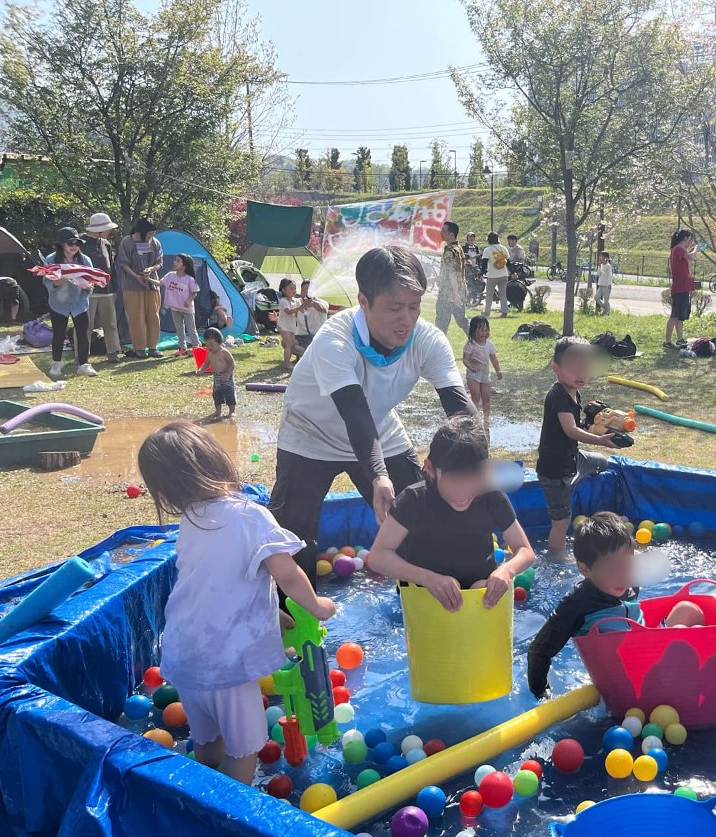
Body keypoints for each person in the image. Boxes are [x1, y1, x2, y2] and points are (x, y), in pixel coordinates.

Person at [137, 422, 336, 785]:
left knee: (207, 738)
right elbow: (287, 574)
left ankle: (202, 790)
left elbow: (217, 585)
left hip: (185, 654)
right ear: (217, 461)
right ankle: (228, 810)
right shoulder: (249, 515)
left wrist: (271, 612)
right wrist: (317, 605)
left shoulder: (191, 520)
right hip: (227, 662)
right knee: (244, 750)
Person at [269, 245, 476, 589]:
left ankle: (420, 603)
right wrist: (378, 475)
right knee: (293, 539)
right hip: (309, 436)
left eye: (414, 306)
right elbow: (354, 412)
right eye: (394, 307)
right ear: (363, 301)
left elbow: (460, 410)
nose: (406, 319)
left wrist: (475, 466)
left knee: (422, 523)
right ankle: (292, 615)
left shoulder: (427, 339)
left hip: (380, 431)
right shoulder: (335, 340)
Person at [527, 512, 705, 698]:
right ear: (585, 569)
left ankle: (696, 670)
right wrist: (541, 693)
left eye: (627, 565)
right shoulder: (577, 604)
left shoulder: (629, 583)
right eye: (612, 568)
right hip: (626, 677)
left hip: (649, 651)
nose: (622, 576)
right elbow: (539, 651)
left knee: (688, 609)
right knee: (680, 638)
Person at [367, 414, 534, 613]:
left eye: (474, 481)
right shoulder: (414, 500)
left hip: (480, 594)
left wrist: (506, 570)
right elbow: (378, 556)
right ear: (430, 468)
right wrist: (429, 579)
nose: (464, 492)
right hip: (425, 595)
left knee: (482, 588)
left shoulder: (491, 497)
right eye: (456, 481)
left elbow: (525, 550)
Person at [538, 336, 623, 558]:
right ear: (556, 368)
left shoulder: (574, 391)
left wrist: (597, 425)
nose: (581, 374)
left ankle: (579, 487)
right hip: (555, 470)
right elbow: (570, 430)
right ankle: (555, 558)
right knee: (561, 522)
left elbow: (579, 426)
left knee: (602, 463)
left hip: (573, 458)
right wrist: (601, 441)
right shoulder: (559, 395)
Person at [43, 227, 97, 378]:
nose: (74, 246)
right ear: (61, 244)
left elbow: (91, 281)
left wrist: (88, 285)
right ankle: (56, 363)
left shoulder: (85, 260)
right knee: (59, 334)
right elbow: (49, 283)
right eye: (70, 243)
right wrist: (65, 276)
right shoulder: (51, 260)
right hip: (58, 303)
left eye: (77, 243)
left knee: (83, 334)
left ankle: (83, 364)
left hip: (80, 302)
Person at [117, 217, 164, 358]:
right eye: (149, 233)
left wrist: (151, 269)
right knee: (136, 317)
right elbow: (123, 264)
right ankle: (139, 348)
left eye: (153, 233)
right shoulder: (127, 242)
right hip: (132, 286)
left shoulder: (155, 242)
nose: (152, 236)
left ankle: (153, 347)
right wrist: (136, 276)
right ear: (141, 232)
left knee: (153, 316)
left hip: (151, 284)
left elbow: (159, 262)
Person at [80, 212, 121, 363]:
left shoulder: (106, 244)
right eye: (107, 229)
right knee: (86, 325)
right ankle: (82, 354)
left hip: (106, 290)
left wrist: (114, 288)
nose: (109, 231)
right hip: (87, 290)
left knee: (110, 323)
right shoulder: (80, 242)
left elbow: (112, 267)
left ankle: (113, 351)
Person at [463, 315, 501, 429]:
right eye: (481, 330)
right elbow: (465, 359)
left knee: (486, 398)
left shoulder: (489, 344)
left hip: (485, 375)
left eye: (486, 330)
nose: (485, 333)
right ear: (473, 331)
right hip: (473, 375)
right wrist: (470, 366)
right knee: (476, 396)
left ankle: (486, 419)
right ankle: (475, 419)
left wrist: (498, 370)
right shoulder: (470, 345)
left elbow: (493, 358)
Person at [161, 254, 201, 356]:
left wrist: (188, 300)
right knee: (179, 328)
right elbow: (160, 283)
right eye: (175, 260)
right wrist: (148, 278)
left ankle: (196, 347)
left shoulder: (189, 279)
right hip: (175, 307)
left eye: (178, 261)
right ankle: (182, 348)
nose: (175, 262)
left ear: (184, 266)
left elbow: (194, 292)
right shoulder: (170, 275)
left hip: (187, 309)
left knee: (191, 328)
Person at [435, 220, 469, 336]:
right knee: (462, 321)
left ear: (451, 234)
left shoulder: (450, 251)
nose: (441, 233)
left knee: (441, 324)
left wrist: (455, 294)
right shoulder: (458, 248)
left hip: (448, 294)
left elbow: (452, 273)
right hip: (458, 291)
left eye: (444, 231)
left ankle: (438, 347)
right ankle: (478, 341)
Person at [197, 327, 236, 421]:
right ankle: (218, 411)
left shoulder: (224, 352)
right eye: (207, 345)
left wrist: (227, 374)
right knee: (216, 394)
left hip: (226, 375)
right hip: (216, 376)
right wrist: (201, 370)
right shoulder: (209, 353)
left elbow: (232, 363)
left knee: (229, 393)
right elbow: (206, 363)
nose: (210, 347)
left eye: (212, 344)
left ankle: (232, 411)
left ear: (219, 342)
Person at [666, 229, 696, 349]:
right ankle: (667, 341)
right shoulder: (679, 248)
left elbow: (686, 257)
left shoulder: (678, 249)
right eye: (690, 239)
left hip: (683, 287)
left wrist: (692, 250)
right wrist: (696, 249)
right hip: (679, 287)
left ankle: (680, 339)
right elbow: (691, 257)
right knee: (674, 316)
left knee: (680, 316)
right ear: (685, 238)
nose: (691, 242)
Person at [290, 280, 330, 357]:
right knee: (286, 343)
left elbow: (324, 309)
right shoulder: (297, 302)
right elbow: (288, 309)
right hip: (301, 337)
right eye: (303, 290)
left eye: (308, 291)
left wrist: (312, 303)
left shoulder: (321, 302)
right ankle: (309, 356)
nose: (305, 293)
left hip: (317, 337)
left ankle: (309, 356)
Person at [482, 232, 510, 318]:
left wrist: (482, 273)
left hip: (492, 275)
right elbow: (508, 262)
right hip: (504, 275)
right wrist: (513, 272)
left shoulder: (487, 250)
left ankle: (487, 312)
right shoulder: (504, 248)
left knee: (489, 295)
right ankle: (504, 311)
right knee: (503, 295)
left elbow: (484, 263)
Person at [276, 279, 300, 368]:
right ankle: (286, 363)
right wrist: (300, 307)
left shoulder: (295, 301)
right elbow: (288, 312)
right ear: (283, 290)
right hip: (283, 326)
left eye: (295, 288)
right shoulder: (283, 301)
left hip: (291, 326)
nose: (294, 290)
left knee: (292, 344)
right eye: (291, 288)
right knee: (289, 344)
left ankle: (288, 362)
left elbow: (296, 313)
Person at [595, 251, 614, 315]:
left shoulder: (608, 266)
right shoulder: (601, 266)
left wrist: (609, 284)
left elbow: (610, 275)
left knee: (606, 300)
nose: (600, 257)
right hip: (601, 285)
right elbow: (598, 274)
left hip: (606, 285)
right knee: (596, 297)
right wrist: (599, 266)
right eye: (600, 256)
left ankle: (606, 313)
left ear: (606, 258)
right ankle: (606, 308)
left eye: (602, 256)